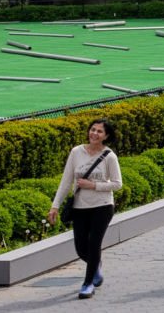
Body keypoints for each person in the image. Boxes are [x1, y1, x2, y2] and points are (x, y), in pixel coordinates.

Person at [46, 119, 123, 300]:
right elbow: (66, 182)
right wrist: (55, 206)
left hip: (102, 207)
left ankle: (88, 284)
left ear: (106, 136)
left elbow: (118, 184)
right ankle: (95, 265)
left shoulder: (109, 156)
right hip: (80, 207)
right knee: (81, 248)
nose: (94, 134)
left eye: (99, 132)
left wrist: (93, 185)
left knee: (94, 243)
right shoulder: (76, 152)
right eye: (92, 130)